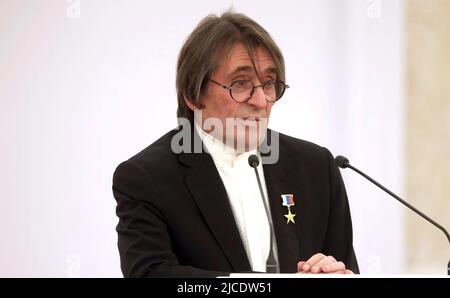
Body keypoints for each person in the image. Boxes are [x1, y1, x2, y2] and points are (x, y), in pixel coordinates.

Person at [112, 11, 359, 277]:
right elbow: (150, 275)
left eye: (268, 83)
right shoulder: (146, 177)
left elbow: (347, 266)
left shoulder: (316, 167)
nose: (261, 100)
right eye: (240, 84)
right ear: (193, 96)